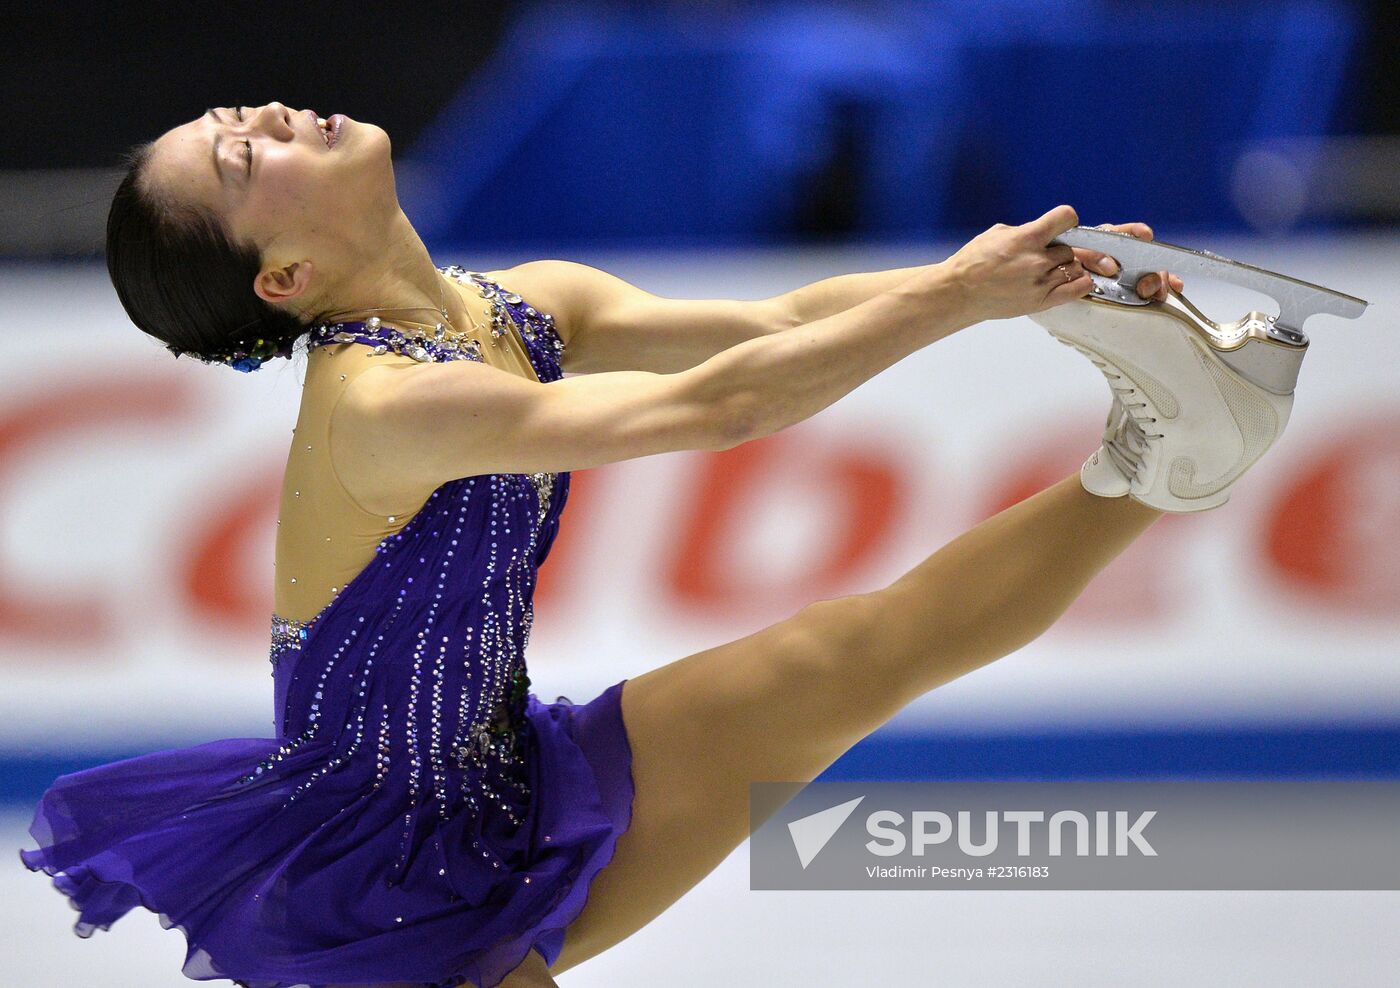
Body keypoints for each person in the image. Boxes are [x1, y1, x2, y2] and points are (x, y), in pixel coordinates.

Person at [19, 101, 1282, 988]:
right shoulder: (388, 402)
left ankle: (1162, 464)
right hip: (381, 873)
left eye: (244, 115)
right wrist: (957, 299)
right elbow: (722, 409)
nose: (274, 118)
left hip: (501, 767)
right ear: (282, 277)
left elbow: (775, 319)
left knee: (849, 652)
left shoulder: (512, 304)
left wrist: (1004, 276)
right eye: (241, 160)